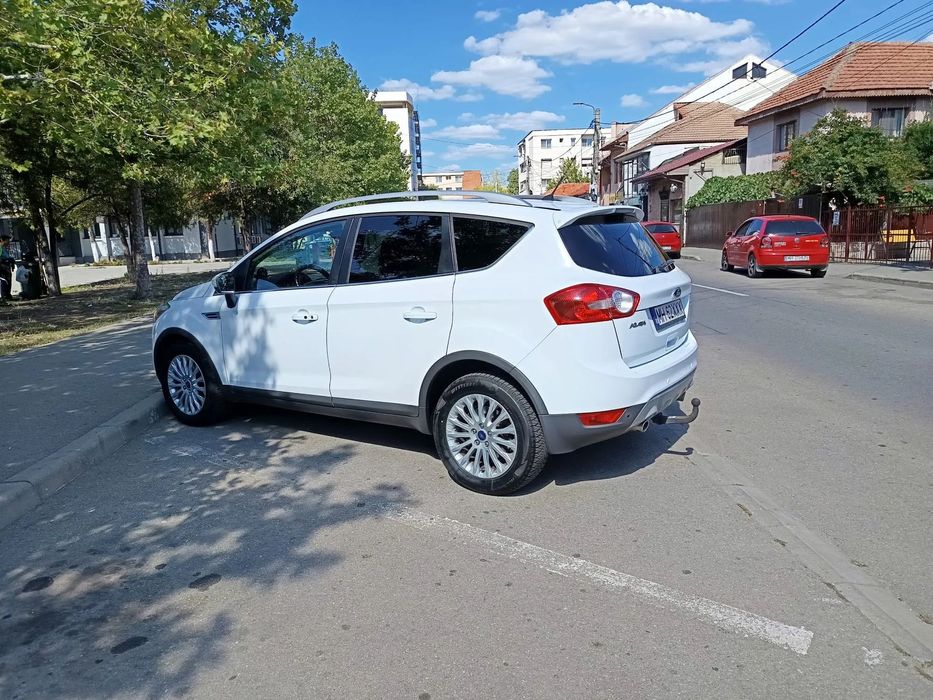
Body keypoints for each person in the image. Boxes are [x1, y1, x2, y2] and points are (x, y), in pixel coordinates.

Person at [0, 233, 15, 301]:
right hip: (3, 266)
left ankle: (8, 295)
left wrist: (10, 260)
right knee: (5, 281)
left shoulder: (4, 248)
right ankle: (5, 296)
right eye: (7, 240)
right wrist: (7, 260)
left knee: (8, 281)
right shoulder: (0, 247)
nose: (9, 242)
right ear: (3, 240)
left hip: (6, 266)